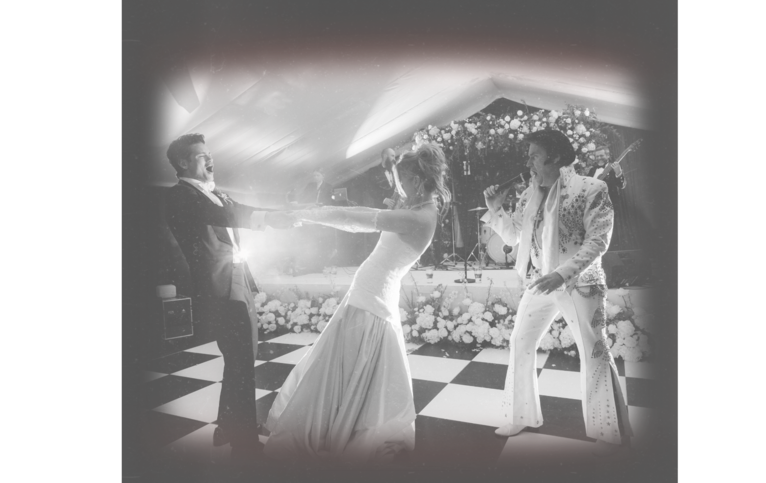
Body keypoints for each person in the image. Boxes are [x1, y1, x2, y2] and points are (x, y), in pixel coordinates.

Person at [262, 143, 450, 462]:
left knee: (347, 366)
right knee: (347, 367)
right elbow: (381, 203)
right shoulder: (418, 205)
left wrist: (305, 215)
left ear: (418, 182)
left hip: (371, 301)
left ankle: (343, 427)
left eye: (404, 181)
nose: (400, 187)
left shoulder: (418, 217)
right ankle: (341, 423)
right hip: (368, 296)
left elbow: (355, 218)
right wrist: (393, 164)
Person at [481, 129, 633, 457]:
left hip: (581, 283)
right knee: (520, 341)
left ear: (556, 157)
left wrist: (560, 274)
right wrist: (496, 210)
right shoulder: (528, 195)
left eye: (534, 155)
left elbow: (598, 241)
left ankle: (607, 429)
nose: (528, 163)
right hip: (541, 281)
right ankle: (521, 416)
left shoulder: (592, 188)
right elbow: (512, 238)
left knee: (594, 350)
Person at [164, 133, 289, 464]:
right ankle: (243, 442)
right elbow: (223, 216)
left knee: (242, 357)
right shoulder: (180, 196)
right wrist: (272, 218)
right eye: (202, 155)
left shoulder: (214, 192)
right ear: (183, 163)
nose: (210, 159)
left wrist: (277, 214)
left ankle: (228, 425)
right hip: (219, 289)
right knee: (242, 360)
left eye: (209, 153)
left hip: (236, 281)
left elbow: (236, 211)